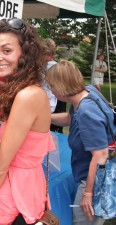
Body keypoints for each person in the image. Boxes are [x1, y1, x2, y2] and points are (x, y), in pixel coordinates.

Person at [0, 18, 55, 225]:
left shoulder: (28, 96)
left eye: (6, 50)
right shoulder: (27, 91)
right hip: (24, 187)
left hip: (13, 196)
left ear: (24, 54)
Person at [46, 60, 115, 225]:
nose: (51, 90)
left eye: (52, 86)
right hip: (91, 174)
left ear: (61, 86)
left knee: (83, 220)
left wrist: (88, 193)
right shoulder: (86, 92)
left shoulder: (86, 111)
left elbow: (100, 154)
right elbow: (71, 118)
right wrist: (43, 118)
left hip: (95, 180)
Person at [42, 38, 66, 133]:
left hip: (53, 106)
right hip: (53, 105)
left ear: (50, 54)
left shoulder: (55, 68)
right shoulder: (59, 67)